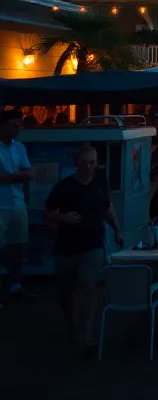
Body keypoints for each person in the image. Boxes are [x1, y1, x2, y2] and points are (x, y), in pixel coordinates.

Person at [43, 146, 122, 355]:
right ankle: (72, 323)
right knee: (66, 292)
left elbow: (107, 208)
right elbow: (48, 212)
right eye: (86, 163)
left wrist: (117, 230)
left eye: (93, 163)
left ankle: (86, 337)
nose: (89, 167)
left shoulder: (99, 183)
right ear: (77, 163)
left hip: (93, 244)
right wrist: (62, 217)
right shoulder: (64, 187)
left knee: (88, 286)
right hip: (67, 246)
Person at [0, 108, 34, 302]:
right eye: (14, 125)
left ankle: (16, 285)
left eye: (19, 125)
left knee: (18, 245)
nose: (18, 129)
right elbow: (23, 173)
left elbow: (29, 171)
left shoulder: (19, 148)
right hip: (1, 203)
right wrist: (14, 177)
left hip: (17, 202)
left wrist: (17, 177)